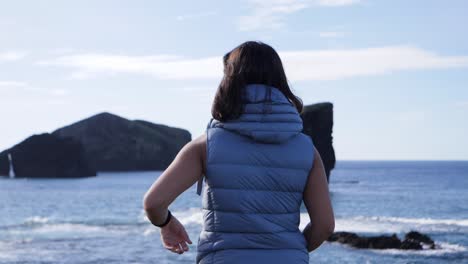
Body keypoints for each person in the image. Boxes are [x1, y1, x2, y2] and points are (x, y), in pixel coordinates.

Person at [143, 41, 335, 263]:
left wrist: (166, 224)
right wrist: (292, 251)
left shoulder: (206, 145)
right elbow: (325, 225)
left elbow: (154, 203)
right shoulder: (307, 150)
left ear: (229, 82)